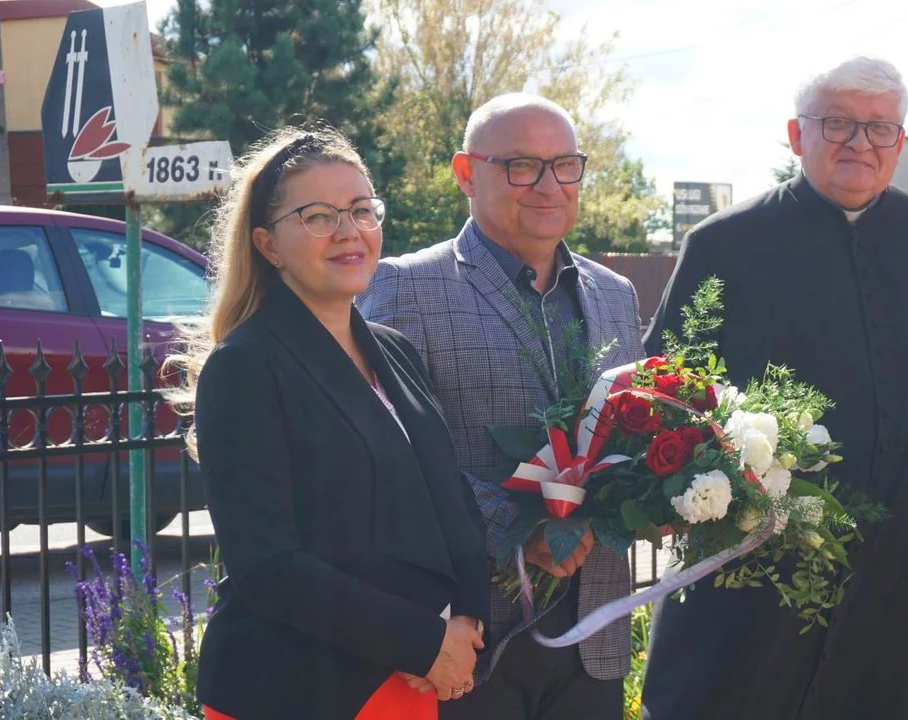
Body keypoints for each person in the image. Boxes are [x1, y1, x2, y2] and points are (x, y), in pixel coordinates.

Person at [640, 57, 908, 719]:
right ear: (795, 133)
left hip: (905, 548)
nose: (859, 143)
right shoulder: (723, 245)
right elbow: (667, 400)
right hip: (759, 557)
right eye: (837, 123)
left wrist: (905, 473)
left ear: (900, 141)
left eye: (879, 129)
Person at [179, 127, 491, 720]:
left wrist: (468, 618)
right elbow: (268, 566)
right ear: (269, 245)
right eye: (319, 216)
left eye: (361, 210)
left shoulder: (395, 350)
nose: (350, 232)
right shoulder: (245, 366)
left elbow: (451, 501)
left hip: (410, 682)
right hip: (299, 689)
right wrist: (422, 643)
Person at [357, 93, 645, 720]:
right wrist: (517, 535)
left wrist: (659, 492)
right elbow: (386, 456)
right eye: (521, 166)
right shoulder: (407, 286)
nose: (548, 185)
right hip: (467, 638)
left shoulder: (615, 294)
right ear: (466, 173)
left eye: (565, 165)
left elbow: (630, 434)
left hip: (593, 633)